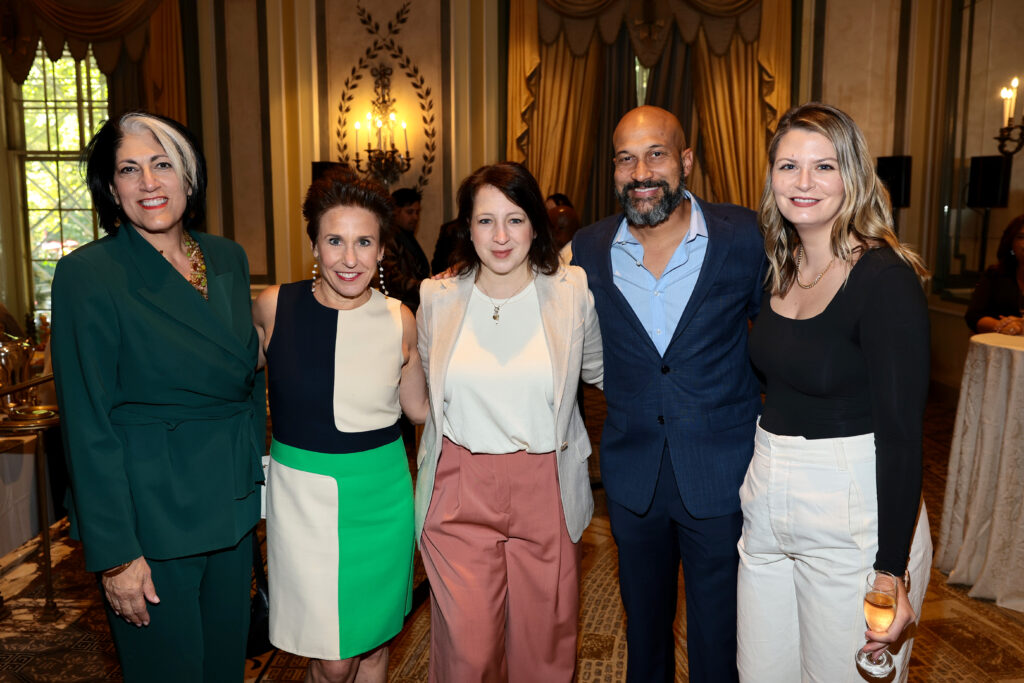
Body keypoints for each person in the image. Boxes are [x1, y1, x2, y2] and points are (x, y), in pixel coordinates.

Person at [51, 112, 264, 682]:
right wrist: (116, 553)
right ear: (111, 189)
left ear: (188, 178)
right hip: (151, 521)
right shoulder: (88, 275)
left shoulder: (227, 258)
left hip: (233, 510)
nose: (149, 182)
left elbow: (245, 382)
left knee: (224, 671)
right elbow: (86, 424)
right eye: (129, 169)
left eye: (162, 164)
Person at [570, 105, 765, 683]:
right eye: (626, 159)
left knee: (720, 641)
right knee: (644, 636)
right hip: (633, 478)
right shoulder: (586, 250)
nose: (641, 171)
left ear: (685, 160)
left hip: (722, 472)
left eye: (656, 154)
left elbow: (786, 335)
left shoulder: (745, 237)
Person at [738, 102, 932, 682]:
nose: (803, 182)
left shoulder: (884, 279)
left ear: (854, 176)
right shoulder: (781, 265)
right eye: (788, 165)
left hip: (852, 510)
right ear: (770, 177)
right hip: (768, 498)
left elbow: (901, 438)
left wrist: (889, 571)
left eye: (824, 166)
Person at [415, 161, 603, 682]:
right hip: (459, 489)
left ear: (536, 225)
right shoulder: (437, 296)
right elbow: (431, 385)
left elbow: (601, 371)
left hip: (547, 486)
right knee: (468, 656)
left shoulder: (571, 291)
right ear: (464, 227)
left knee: (541, 655)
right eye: (485, 221)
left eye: (515, 219)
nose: (500, 236)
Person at [252, 171, 428, 683]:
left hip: (382, 498)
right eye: (335, 241)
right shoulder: (273, 306)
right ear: (314, 244)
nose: (349, 259)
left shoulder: (400, 318)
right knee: (332, 661)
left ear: (380, 251)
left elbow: (418, 409)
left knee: (372, 648)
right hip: (304, 501)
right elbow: (228, 386)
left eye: (364, 242)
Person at [965, 214, 1024, 335]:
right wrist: (1003, 325)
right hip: (1001, 349)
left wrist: (1021, 322)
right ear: (1010, 243)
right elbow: (973, 316)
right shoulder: (995, 275)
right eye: (1021, 237)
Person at [382, 187, 430, 310]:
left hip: (412, 306)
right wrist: (425, 287)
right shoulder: (389, 239)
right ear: (395, 211)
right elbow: (392, 279)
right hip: (398, 309)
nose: (415, 217)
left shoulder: (406, 237)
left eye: (417, 212)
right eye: (409, 212)